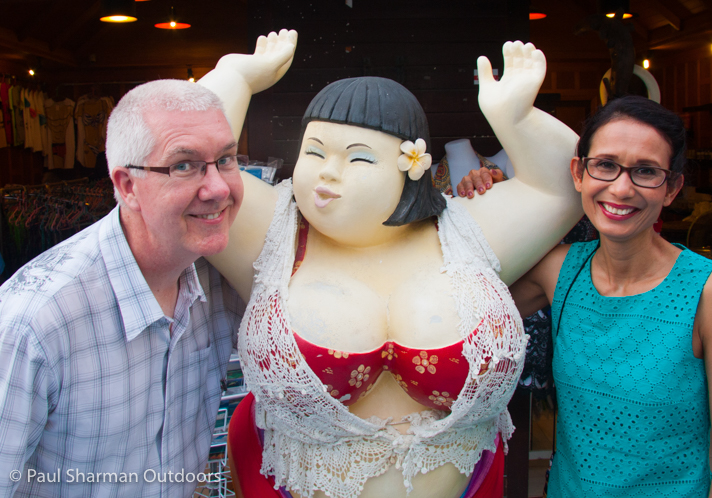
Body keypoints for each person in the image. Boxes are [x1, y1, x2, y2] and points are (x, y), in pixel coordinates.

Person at [195, 41, 584, 498]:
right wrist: (236, 78)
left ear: (411, 167)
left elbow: (565, 185)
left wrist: (516, 118)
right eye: (314, 152)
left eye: (359, 157)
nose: (328, 174)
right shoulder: (271, 229)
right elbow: (188, 170)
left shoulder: (465, 232)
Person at [0, 30, 297, 497]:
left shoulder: (218, 272)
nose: (218, 188)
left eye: (225, 159)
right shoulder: (35, 322)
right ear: (128, 186)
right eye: (183, 165)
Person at [459, 95, 712, 497]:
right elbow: (460, 307)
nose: (621, 188)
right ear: (578, 173)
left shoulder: (711, 290)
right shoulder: (561, 270)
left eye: (646, 171)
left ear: (672, 189)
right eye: (605, 165)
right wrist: (487, 205)